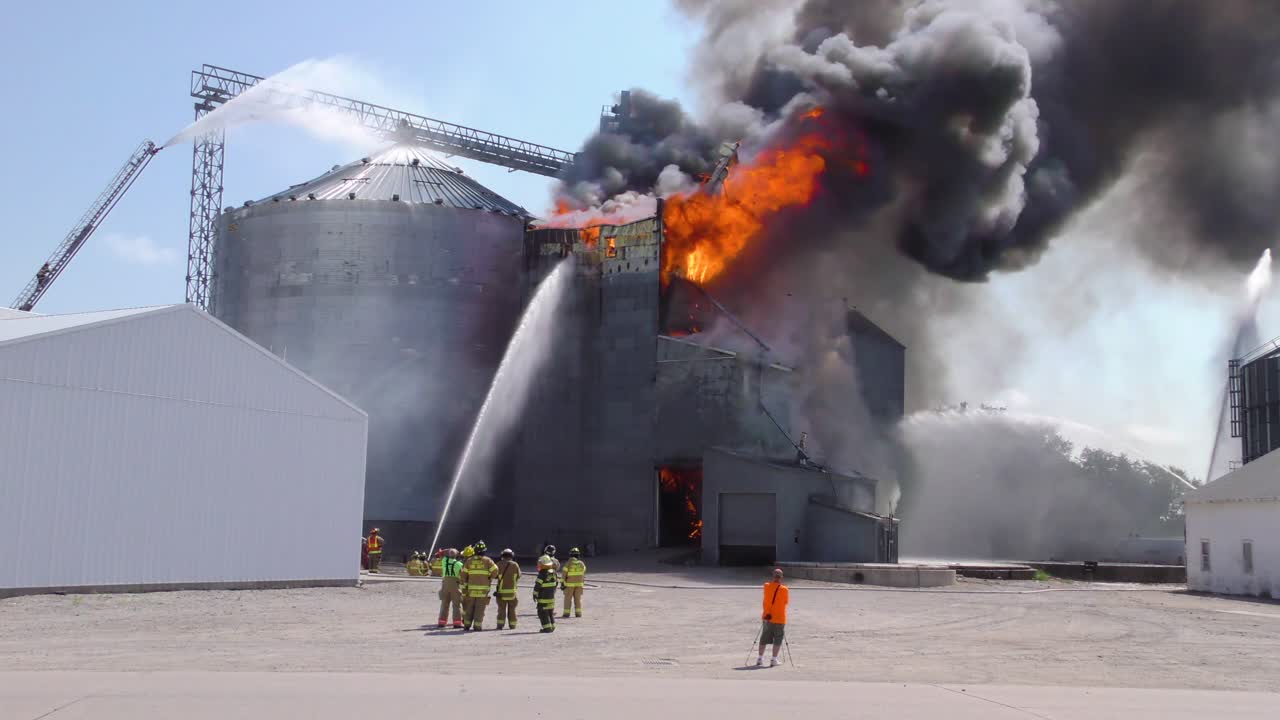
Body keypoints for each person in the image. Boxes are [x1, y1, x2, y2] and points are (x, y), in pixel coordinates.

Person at [460, 541, 498, 631]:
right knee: (480, 609)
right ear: (484, 551)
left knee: (469, 607)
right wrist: (490, 578)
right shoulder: (488, 561)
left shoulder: (469, 561)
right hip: (483, 591)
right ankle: (477, 626)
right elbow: (495, 570)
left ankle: (467, 625)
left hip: (471, 590)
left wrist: (465, 585)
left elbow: (463, 574)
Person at [757, 568, 789, 667]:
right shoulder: (785, 589)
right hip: (779, 618)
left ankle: (760, 658)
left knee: (764, 638)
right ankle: (774, 659)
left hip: (767, 617)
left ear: (773, 576)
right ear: (781, 577)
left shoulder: (766, 586)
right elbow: (786, 602)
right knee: (778, 639)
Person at [494, 548, 521, 630]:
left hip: (501, 593)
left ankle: (500, 625)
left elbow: (494, 575)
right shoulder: (515, 565)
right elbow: (519, 575)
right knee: (512, 610)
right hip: (512, 593)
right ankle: (512, 625)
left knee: (501, 610)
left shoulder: (498, 564)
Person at [437, 548, 464, 629]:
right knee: (456, 605)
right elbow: (462, 576)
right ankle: (457, 623)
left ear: (448, 555)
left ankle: (441, 622)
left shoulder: (444, 561)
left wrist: (449, 550)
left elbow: (440, 553)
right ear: (456, 555)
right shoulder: (459, 564)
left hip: (445, 583)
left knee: (444, 604)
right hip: (455, 584)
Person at [533, 555, 559, 633]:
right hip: (551, 597)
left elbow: (537, 585)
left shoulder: (542, 573)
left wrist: (534, 594)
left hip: (543, 598)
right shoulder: (554, 572)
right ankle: (552, 626)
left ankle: (547, 628)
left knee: (542, 612)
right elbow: (556, 583)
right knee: (550, 612)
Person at [561, 547, 587, 618]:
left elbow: (564, 574)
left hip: (569, 585)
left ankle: (566, 613)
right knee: (578, 599)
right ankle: (578, 613)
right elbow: (583, 572)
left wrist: (562, 583)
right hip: (579, 585)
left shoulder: (568, 563)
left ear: (571, 555)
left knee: (568, 599)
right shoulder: (581, 563)